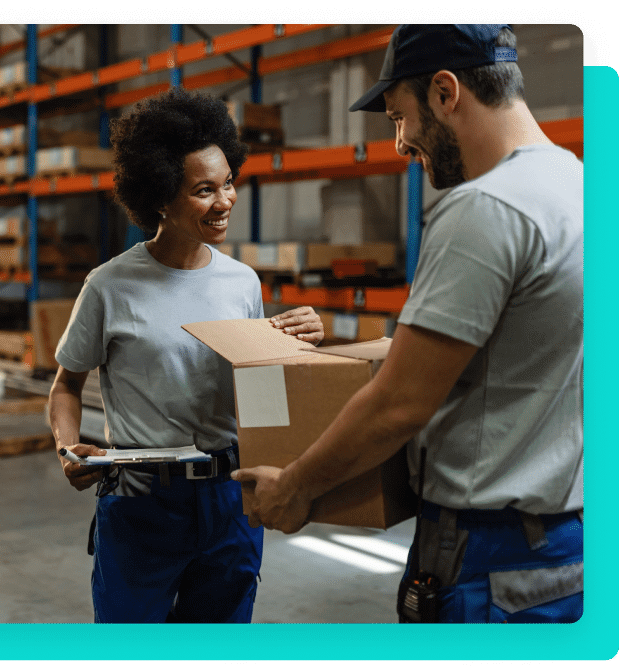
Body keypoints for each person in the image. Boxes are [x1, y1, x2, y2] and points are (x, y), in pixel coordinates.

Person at [231, 25, 584, 623]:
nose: (399, 143)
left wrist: (295, 488)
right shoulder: (577, 185)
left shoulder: (486, 208)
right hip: (565, 548)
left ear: (446, 92)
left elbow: (400, 405)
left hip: (486, 560)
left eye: (399, 117)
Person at [48, 87, 324, 623]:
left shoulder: (242, 282)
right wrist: (67, 448)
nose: (224, 202)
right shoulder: (110, 286)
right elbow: (65, 384)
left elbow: (258, 394)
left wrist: (295, 344)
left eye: (228, 184)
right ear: (159, 198)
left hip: (230, 499)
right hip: (141, 503)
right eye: (203, 190)